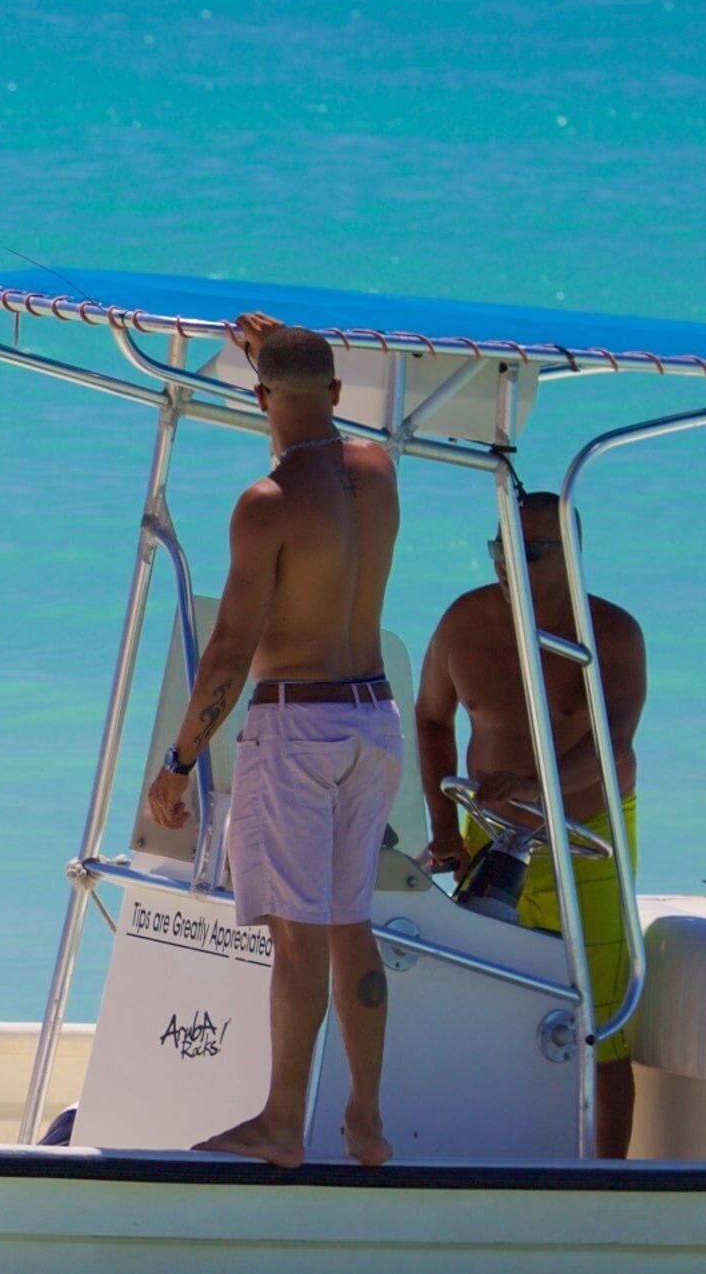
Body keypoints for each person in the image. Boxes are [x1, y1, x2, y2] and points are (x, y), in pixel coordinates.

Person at [142, 318, 404, 1170]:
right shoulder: (379, 474)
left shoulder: (268, 505)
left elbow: (229, 648)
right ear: (335, 393)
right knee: (350, 924)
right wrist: (276, 357)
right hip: (374, 721)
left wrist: (180, 759)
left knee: (296, 935)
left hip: (297, 724)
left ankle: (282, 1123)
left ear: (258, 401)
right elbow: (317, 421)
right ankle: (364, 1120)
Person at [416, 492, 651, 1157]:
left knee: (603, 1026)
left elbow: (616, 746)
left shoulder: (610, 633)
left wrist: (537, 786)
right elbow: (431, 717)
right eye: (500, 547)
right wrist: (440, 824)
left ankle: (606, 1184)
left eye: (532, 550)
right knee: (477, 1006)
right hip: (487, 836)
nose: (509, 563)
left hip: (589, 836)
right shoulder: (466, 621)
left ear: (571, 555)